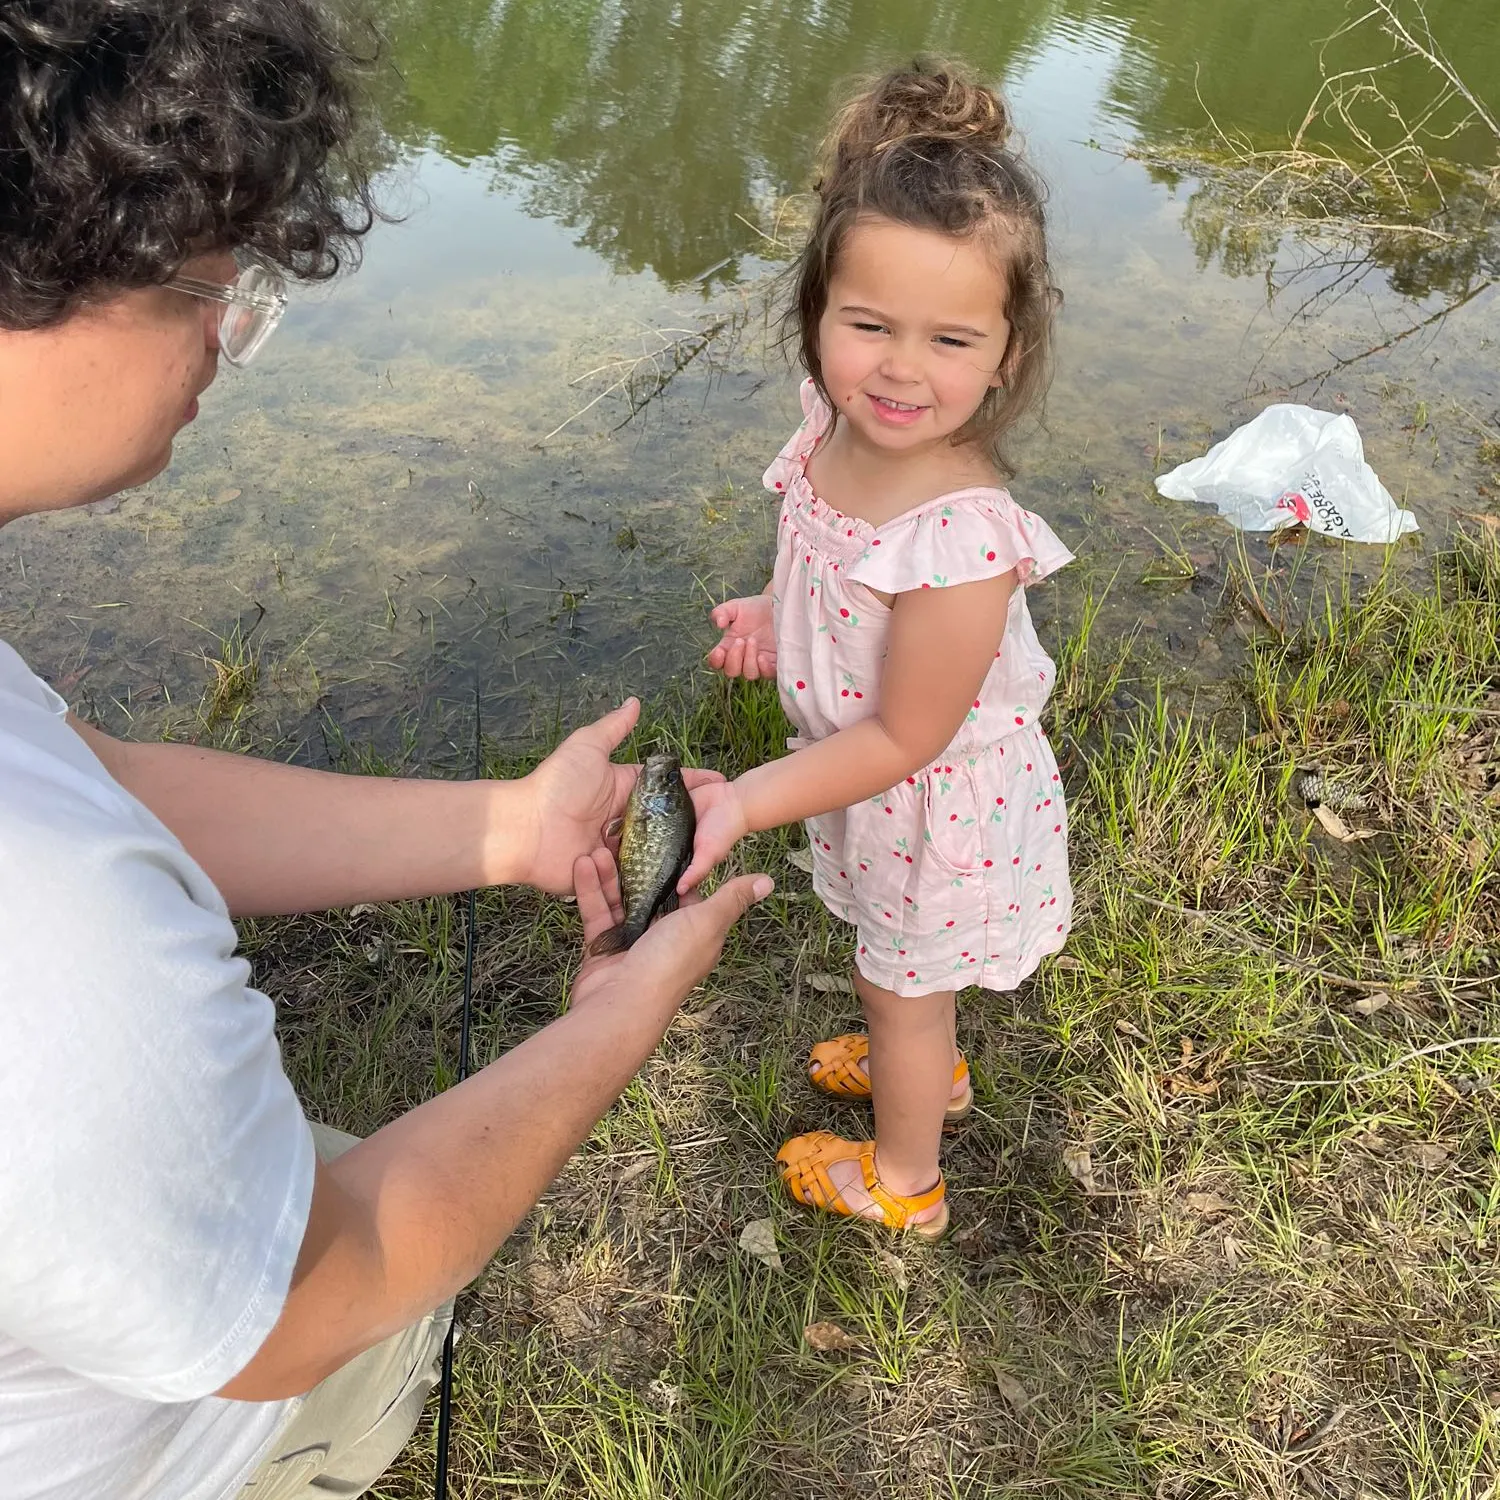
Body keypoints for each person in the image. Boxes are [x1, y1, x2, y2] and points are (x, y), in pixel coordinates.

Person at [0, 4, 770, 1498]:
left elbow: (102, 781)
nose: (221, 344)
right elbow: (307, 1297)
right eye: (205, 294)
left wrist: (515, 830)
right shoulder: (48, 939)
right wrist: (612, 1021)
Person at [682, 64, 1073, 1236]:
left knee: (903, 993)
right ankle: (931, 1066)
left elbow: (910, 734)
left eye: (951, 339)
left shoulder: (960, 538)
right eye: (868, 326)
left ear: (1007, 353)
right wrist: (771, 608)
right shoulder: (830, 424)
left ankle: (906, 1179)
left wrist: (745, 800)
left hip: (928, 806)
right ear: (817, 317)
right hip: (870, 786)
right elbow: (819, 556)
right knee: (892, 973)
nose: (902, 369)